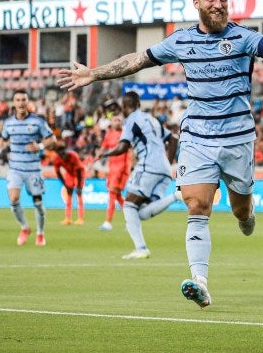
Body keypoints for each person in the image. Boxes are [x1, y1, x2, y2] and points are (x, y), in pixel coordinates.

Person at [58, 0, 263, 307]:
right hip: (197, 137)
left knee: (240, 211)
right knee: (197, 206)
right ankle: (199, 281)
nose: (219, 4)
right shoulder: (180, 41)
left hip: (238, 139)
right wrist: (95, 72)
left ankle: (247, 216)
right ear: (197, 4)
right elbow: (137, 60)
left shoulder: (244, 38)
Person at [96, 91, 181, 259]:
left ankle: (141, 248)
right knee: (140, 212)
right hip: (164, 171)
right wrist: (167, 162)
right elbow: (173, 139)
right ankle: (175, 196)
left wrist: (105, 154)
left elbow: (122, 147)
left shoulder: (131, 120)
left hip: (147, 166)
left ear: (126, 106)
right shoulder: (152, 119)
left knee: (128, 206)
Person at [0, 90, 58, 246]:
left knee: (38, 202)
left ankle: (40, 233)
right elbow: (3, 139)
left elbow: (52, 139)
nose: (21, 103)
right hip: (15, 168)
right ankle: (24, 227)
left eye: (24, 100)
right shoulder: (9, 123)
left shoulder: (37, 122)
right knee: (13, 198)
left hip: (33, 169)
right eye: (18, 100)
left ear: (27, 102)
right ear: (14, 103)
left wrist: (40, 146)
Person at [100, 113, 129, 231]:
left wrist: (129, 168)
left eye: (119, 120)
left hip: (121, 169)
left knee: (112, 194)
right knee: (117, 196)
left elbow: (131, 153)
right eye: (114, 120)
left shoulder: (125, 134)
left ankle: (108, 222)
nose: (117, 122)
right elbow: (103, 148)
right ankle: (130, 220)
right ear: (111, 122)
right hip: (112, 169)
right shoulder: (108, 134)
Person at [50, 147, 86, 226]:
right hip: (69, 174)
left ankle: (80, 219)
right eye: (62, 155)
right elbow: (58, 173)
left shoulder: (74, 156)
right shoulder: (57, 159)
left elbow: (79, 170)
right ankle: (68, 219)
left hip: (78, 174)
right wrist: (65, 184)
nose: (64, 157)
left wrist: (79, 186)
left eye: (64, 154)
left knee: (79, 194)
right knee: (69, 194)